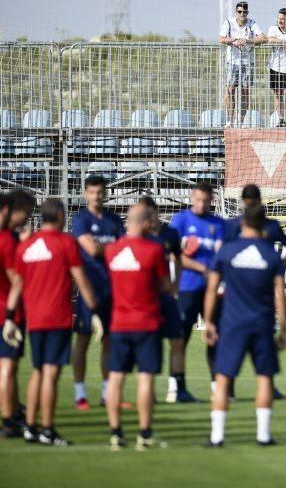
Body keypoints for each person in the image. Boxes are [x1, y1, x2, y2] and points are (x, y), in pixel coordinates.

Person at [3, 198, 99, 446]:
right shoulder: (66, 242)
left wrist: (11, 318)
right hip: (57, 317)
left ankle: (31, 427)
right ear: (59, 216)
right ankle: (47, 429)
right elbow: (82, 279)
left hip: (33, 319)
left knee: (37, 371)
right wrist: (95, 310)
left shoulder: (27, 246)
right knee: (51, 374)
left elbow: (18, 285)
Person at [203, 205, 286, 447]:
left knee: (223, 379)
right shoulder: (271, 254)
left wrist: (209, 321)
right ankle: (263, 435)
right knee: (264, 378)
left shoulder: (228, 251)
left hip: (232, 324)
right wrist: (283, 328)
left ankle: (216, 437)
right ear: (263, 225)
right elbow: (280, 293)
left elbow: (212, 287)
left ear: (242, 222)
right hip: (261, 324)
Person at [104, 204, 173, 451]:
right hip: (147, 323)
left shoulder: (112, 251)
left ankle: (115, 433)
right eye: (152, 220)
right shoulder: (154, 250)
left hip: (120, 323)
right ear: (145, 222)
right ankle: (144, 434)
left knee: (116, 378)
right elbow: (166, 286)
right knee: (146, 379)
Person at [222, 184, 286, 400]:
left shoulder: (270, 225)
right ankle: (231, 389)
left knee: (260, 330)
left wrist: (278, 266)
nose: (251, 205)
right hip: (241, 283)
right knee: (240, 336)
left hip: (261, 284)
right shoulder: (235, 225)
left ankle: (265, 388)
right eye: (249, 201)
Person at [71, 175, 125, 411]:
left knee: (109, 341)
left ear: (106, 193)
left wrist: (107, 249)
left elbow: (124, 249)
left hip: (112, 289)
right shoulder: (80, 220)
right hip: (88, 289)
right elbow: (91, 249)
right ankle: (80, 394)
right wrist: (111, 249)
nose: (96, 196)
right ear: (85, 194)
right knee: (82, 340)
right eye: (92, 192)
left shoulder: (114, 220)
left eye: (100, 192)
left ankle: (107, 393)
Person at [168, 182, 225, 402]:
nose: (202, 204)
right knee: (180, 338)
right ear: (192, 197)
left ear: (211, 200)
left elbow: (221, 253)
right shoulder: (180, 221)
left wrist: (215, 269)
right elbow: (175, 255)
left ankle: (217, 388)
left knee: (215, 337)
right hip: (187, 287)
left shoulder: (218, 223)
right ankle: (176, 388)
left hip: (212, 290)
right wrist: (203, 267)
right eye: (198, 199)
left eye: (206, 200)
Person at [137, 196, 185, 404]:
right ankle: (150, 394)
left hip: (166, 298)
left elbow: (179, 259)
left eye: (152, 213)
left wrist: (176, 284)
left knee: (177, 340)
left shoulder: (170, 234)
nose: (149, 218)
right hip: (146, 302)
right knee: (149, 347)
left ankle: (175, 390)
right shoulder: (138, 238)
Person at [0, 190, 34, 438]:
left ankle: (12, 410)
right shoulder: (8, 242)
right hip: (7, 312)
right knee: (8, 367)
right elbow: (17, 281)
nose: (27, 220)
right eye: (26, 214)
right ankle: (10, 420)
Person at [219, 0, 266, 127]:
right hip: (232, 61)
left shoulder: (252, 23)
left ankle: (241, 120)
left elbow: (263, 38)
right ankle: (230, 120)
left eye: (245, 12)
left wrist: (248, 40)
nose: (242, 14)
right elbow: (221, 39)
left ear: (247, 13)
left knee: (245, 91)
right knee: (230, 90)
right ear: (236, 12)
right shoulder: (229, 23)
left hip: (247, 62)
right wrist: (233, 40)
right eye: (240, 12)